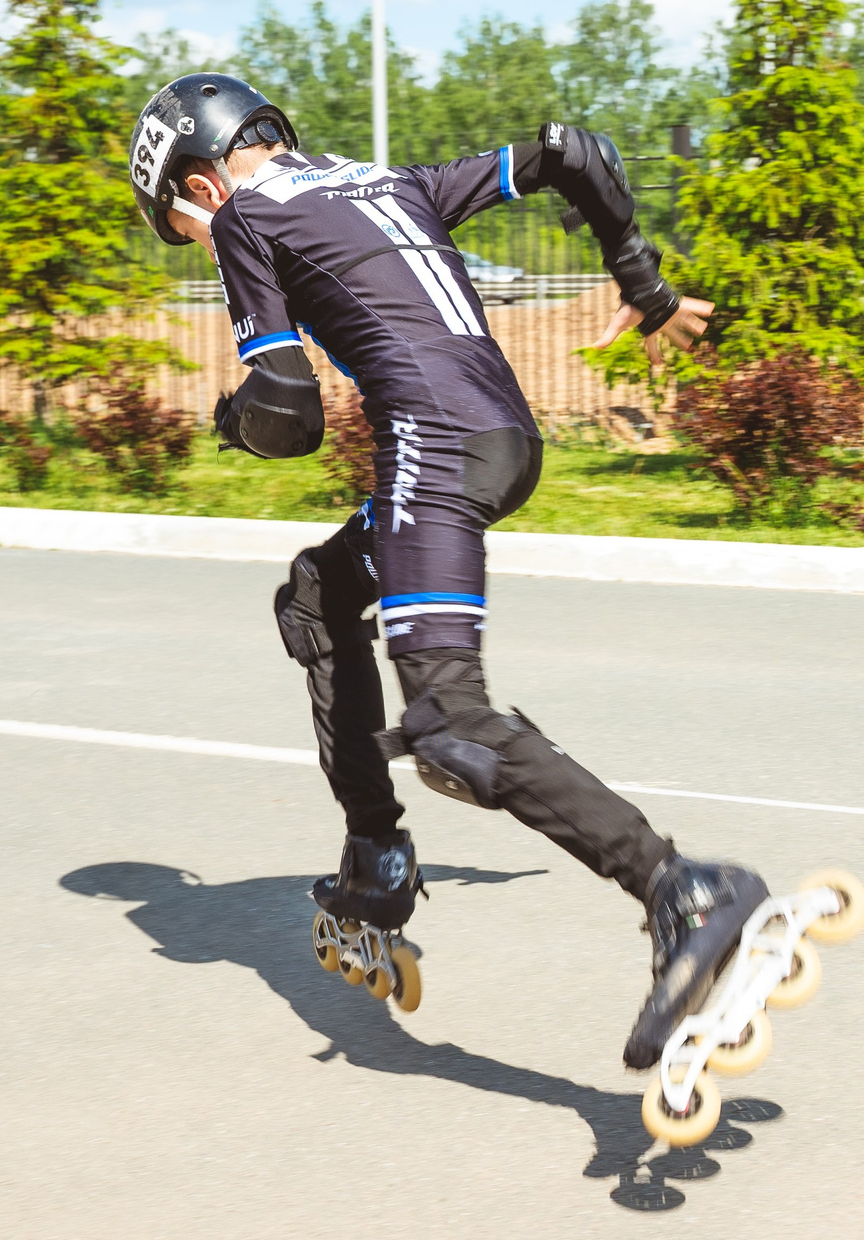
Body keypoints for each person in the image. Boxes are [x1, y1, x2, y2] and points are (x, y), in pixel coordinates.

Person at [126, 71, 772, 1072]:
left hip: (435, 443)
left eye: (182, 232)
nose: (199, 248)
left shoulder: (247, 214)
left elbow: (289, 416)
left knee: (447, 725)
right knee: (318, 596)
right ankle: (375, 855)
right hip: (504, 437)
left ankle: (680, 888)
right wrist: (641, 285)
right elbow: (574, 153)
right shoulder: (389, 181)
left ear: (198, 187)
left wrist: (230, 417)